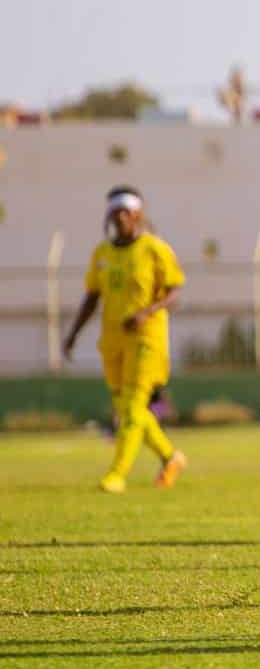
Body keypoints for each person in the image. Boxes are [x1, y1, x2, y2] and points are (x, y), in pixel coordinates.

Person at [62, 186, 187, 493]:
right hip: (113, 340)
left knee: (132, 408)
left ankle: (117, 474)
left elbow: (175, 292)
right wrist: (73, 333)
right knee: (130, 409)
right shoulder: (102, 254)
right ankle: (171, 458)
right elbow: (92, 297)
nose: (120, 218)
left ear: (137, 215)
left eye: (126, 212)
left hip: (147, 338)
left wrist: (147, 312)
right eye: (115, 212)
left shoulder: (154, 249)